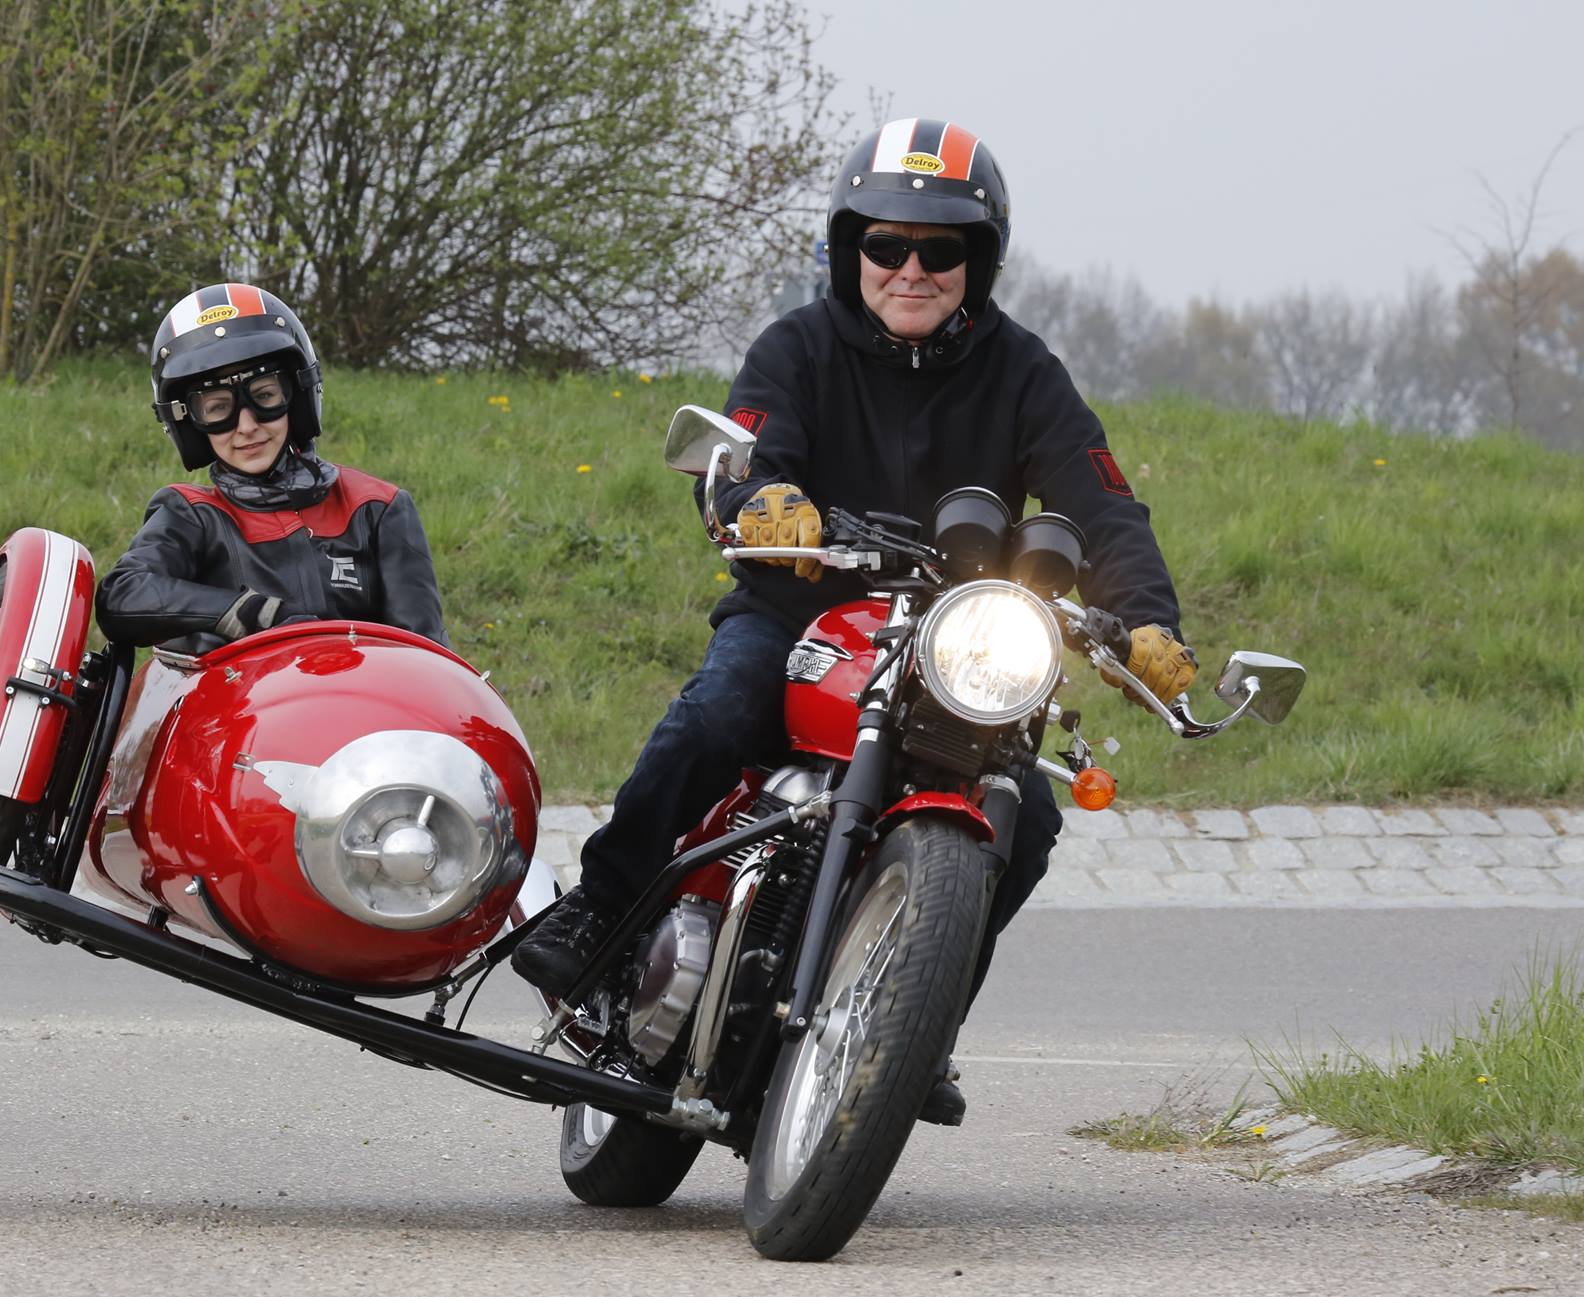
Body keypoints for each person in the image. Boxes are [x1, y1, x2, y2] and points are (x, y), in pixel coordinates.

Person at [510, 118, 1197, 1124]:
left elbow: (1103, 505)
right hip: (801, 613)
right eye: (885, 243)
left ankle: (918, 1023)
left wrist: (1145, 621)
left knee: (1030, 816)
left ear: (977, 262)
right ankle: (600, 906)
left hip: (955, 643)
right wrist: (759, 500)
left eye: (940, 249)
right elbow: (745, 451)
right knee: (718, 710)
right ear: (850, 250)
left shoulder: (1025, 372)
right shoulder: (796, 347)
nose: (910, 268)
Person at [95, 283, 447, 651]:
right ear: (188, 423)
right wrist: (248, 613)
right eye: (218, 408)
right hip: (235, 689)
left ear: (298, 394)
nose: (246, 425)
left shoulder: (376, 506)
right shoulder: (190, 514)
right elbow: (121, 595)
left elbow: (426, 657)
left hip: (359, 688)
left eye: (264, 396)